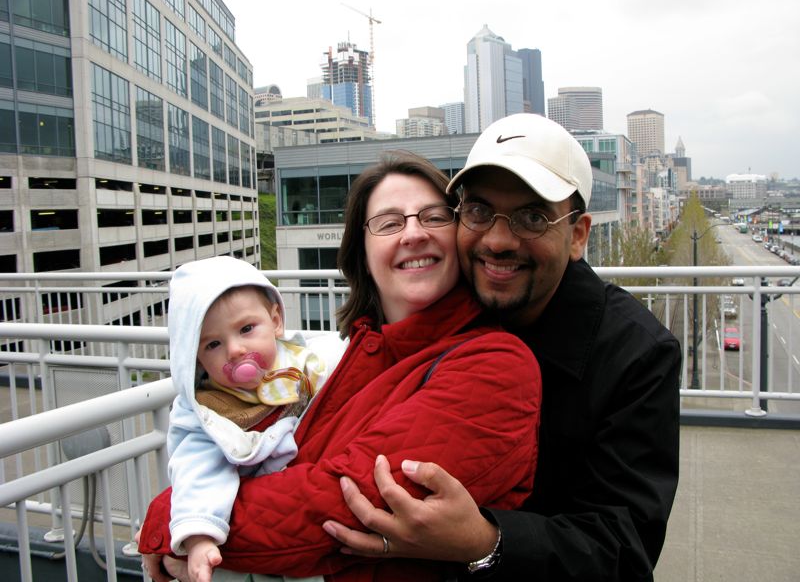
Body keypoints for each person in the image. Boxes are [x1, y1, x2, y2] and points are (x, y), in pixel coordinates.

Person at [138, 151, 543, 582]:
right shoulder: (358, 354)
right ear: (363, 253)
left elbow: (338, 503)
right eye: (389, 223)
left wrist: (169, 518)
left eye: (433, 216)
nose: (413, 233)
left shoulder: (495, 366)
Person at [322, 114, 682, 581]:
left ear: (577, 235)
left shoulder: (636, 354)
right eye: (478, 212)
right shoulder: (444, 309)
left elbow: (624, 552)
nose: (497, 240)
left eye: (532, 217)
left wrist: (487, 541)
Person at [164, 256, 329, 581]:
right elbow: (197, 470)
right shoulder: (211, 411)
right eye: (213, 344)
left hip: (307, 514)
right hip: (243, 528)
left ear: (276, 321)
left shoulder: (304, 365)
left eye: (246, 329)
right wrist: (200, 536)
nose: (235, 349)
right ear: (195, 359)